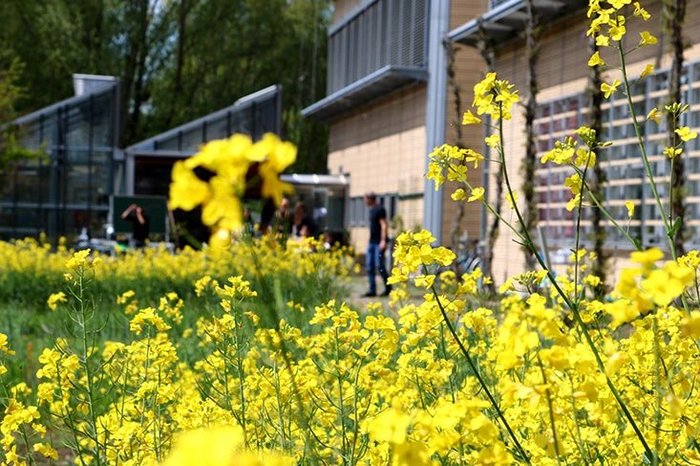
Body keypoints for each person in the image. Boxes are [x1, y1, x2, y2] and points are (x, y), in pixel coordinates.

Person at [363, 192, 391, 297]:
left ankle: (388, 288)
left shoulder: (380, 209)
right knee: (369, 266)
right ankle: (372, 290)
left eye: (365, 199)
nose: (364, 202)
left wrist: (383, 241)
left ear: (370, 199)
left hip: (378, 242)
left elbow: (384, 225)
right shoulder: (371, 210)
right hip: (371, 242)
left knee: (380, 265)